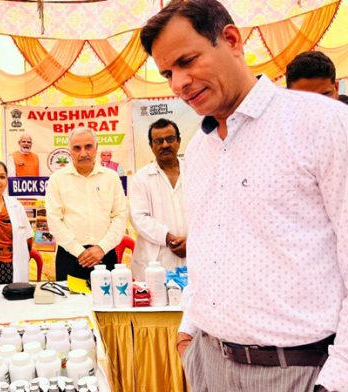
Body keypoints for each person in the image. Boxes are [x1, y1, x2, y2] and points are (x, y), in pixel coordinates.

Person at [141, 1, 348, 390]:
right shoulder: (200, 151)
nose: (178, 84)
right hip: (209, 362)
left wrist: (337, 380)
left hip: (299, 371)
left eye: (187, 61)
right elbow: (207, 249)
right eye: (168, 72)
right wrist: (189, 332)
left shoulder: (323, 123)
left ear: (231, 39)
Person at [45, 127, 127, 281]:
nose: (83, 153)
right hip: (70, 256)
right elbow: (54, 220)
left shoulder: (112, 177)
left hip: (104, 255)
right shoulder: (57, 179)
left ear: (96, 148)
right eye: (77, 148)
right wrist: (79, 252)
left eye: (88, 147)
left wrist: (102, 248)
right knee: (70, 304)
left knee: (106, 303)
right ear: (70, 151)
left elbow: (120, 216)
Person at [129, 118, 187, 280]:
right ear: (151, 146)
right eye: (158, 141)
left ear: (179, 141)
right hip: (155, 262)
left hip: (193, 254)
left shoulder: (196, 172)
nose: (165, 145)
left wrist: (191, 242)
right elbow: (138, 218)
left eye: (170, 139)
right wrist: (169, 238)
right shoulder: (141, 178)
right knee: (157, 302)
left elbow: (207, 212)